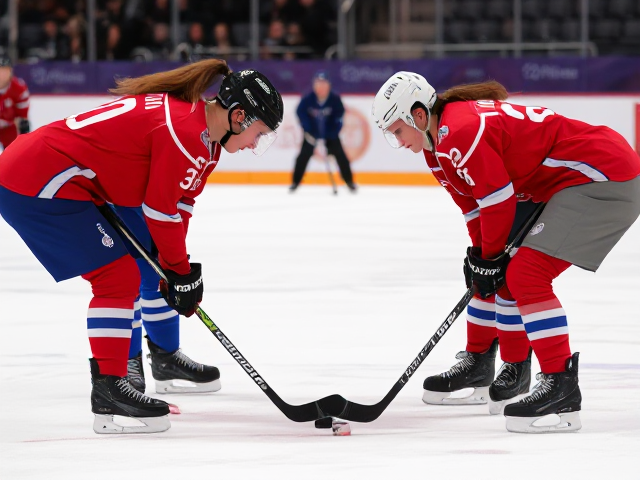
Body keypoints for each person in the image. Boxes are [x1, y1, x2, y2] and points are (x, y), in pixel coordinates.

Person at [0, 60, 284, 434]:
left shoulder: (206, 140)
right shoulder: (186, 131)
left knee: (139, 266)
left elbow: (180, 206)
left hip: (60, 176)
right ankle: (111, 390)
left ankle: (134, 373)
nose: (254, 146)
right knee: (116, 277)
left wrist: (175, 270)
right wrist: (179, 272)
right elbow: (161, 211)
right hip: (38, 178)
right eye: (258, 134)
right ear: (239, 116)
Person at [371, 72, 640, 433]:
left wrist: (490, 257)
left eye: (397, 131)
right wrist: (482, 256)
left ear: (419, 115)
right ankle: (487, 363)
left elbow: (497, 201)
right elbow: (474, 209)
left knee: (523, 273)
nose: (398, 141)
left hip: (602, 175)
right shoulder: (436, 148)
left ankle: (560, 384)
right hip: (561, 182)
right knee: (493, 270)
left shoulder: (461, 130)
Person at [290, 71, 356, 192]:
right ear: (314, 85)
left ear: (329, 85)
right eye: (318, 84)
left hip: (330, 134)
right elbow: (301, 113)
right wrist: (308, 130)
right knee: (303, 156)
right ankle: (295, 182)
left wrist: (332, 132)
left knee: (340, 155)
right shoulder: (308, 99)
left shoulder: (335, 100)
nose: (321, 87)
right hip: (312, 134)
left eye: (324, 84)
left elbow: (339, 117)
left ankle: (349, 181)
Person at [0, 55, 30, 152]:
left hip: (9, 128)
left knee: (14, 153)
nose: (2, 74)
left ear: (10, 71)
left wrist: (23, 127)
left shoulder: (19, 89)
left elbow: (22, 117)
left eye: (5, 70)